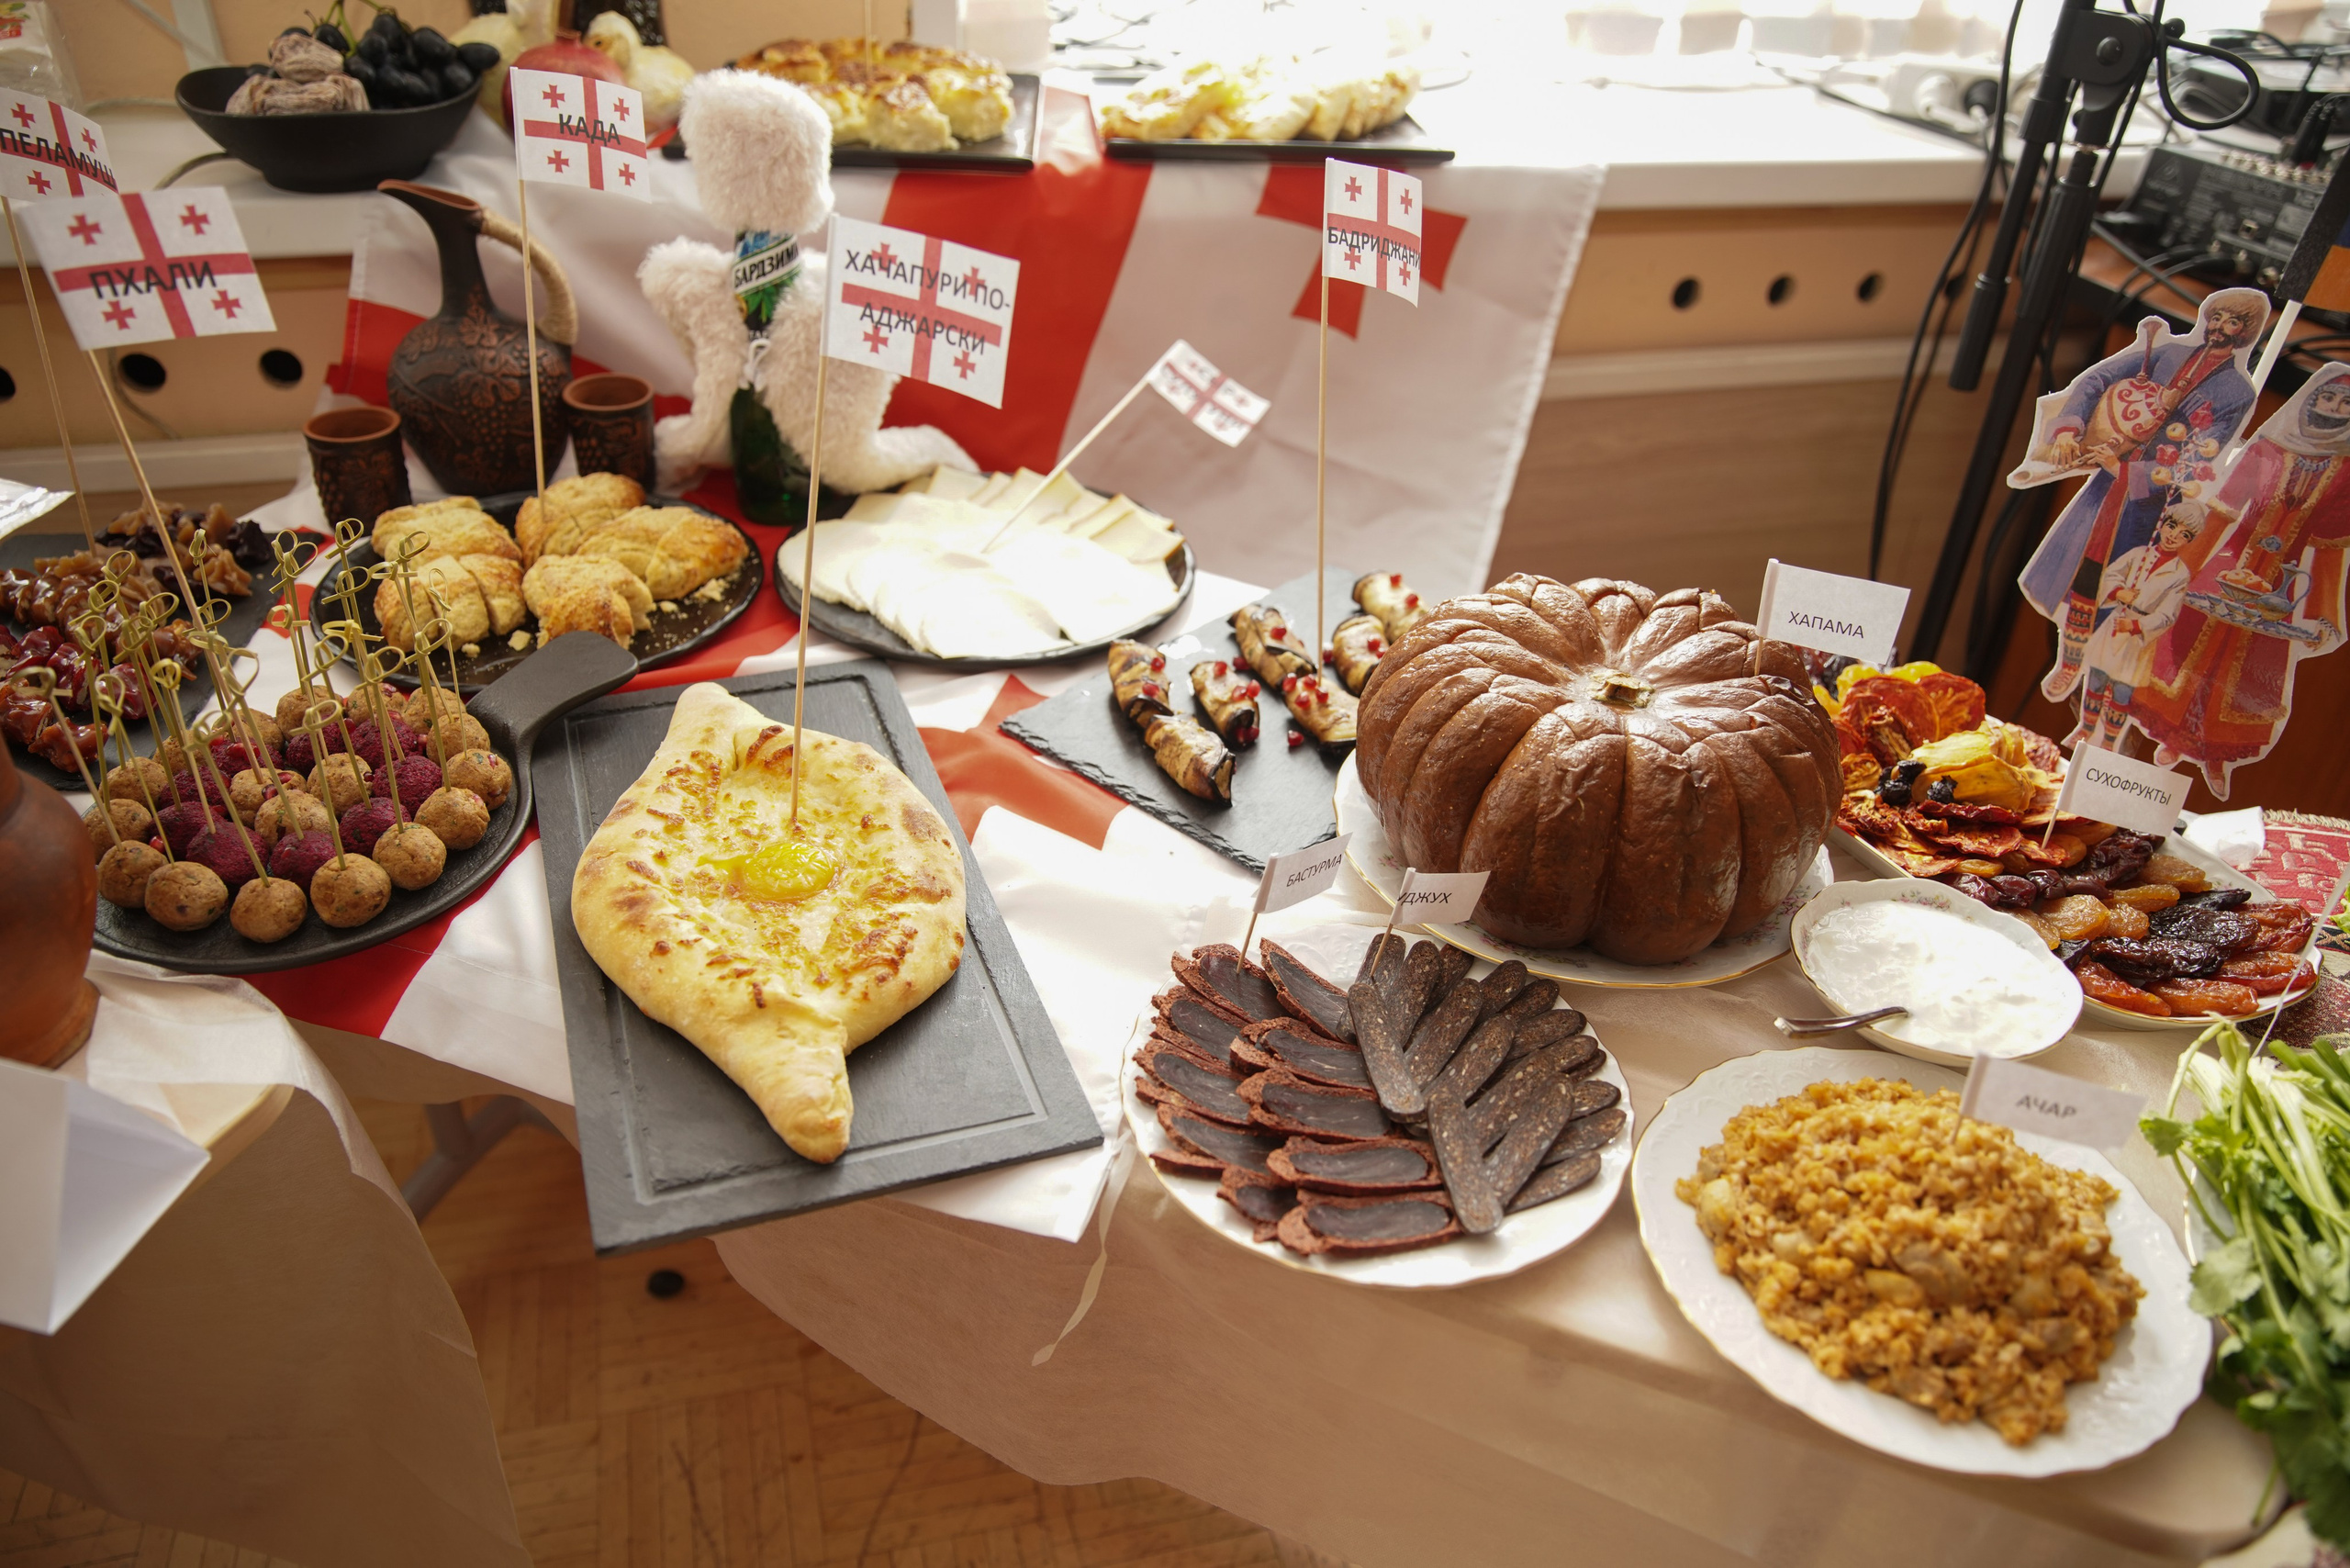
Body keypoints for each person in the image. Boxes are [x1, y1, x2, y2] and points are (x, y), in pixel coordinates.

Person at [2015, 288, 2270, 700]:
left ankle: (2093, 682)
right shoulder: (2165, 352)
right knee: (2079, 574)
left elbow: (2199, 457)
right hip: (2104, 486)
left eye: (2233, 322)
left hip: (2151, 503)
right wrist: (2069, 428)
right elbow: (2096, 379)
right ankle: (2069, 660)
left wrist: (2131, 473)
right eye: (2217, 316)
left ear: (2246, 333)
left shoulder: (2237, 393)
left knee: (2120, 590)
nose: (2220, 327)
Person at [2126, 364, 2350, 798]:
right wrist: (2175, 572)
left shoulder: (2347, 472)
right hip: (2224, 571)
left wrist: (2322, 615)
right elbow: (2219, 514)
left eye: (2345, 404)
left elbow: (2329, 549)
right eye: (2328, 398)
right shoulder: (2267, 448)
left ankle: (2217, 756)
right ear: (2310, 399)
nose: (2334, 408)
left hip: (2282, 589)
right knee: (2183, 652)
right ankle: (2171, 744)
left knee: (2248, 677)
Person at [2071, 499, 2204, 751]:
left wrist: (2135, 625)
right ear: (2163, 524)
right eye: (2172, 526)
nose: (2173, 536)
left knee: (2122, 690)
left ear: (2189, 540)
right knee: (2097, 678)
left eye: (2184, 534)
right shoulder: (2138, 554)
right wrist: (2119, 592)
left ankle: (2111, 740)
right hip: (2115, 623)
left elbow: (2167, 614)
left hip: (2138, 636)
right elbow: (2111, 574)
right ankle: (2087, 729)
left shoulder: (2179, 574)